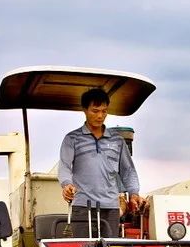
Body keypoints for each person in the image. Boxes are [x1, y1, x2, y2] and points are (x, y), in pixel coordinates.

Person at [58, 88, 143, 237]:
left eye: (104, 111)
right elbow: (64, 166)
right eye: (95, 111)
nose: (100, 116)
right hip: (82, 206)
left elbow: (128, 171)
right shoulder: (72, 138)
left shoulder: (117, 140)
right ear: (85, 110)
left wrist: (134, 193)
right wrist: (66, 184)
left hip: (111, 207)